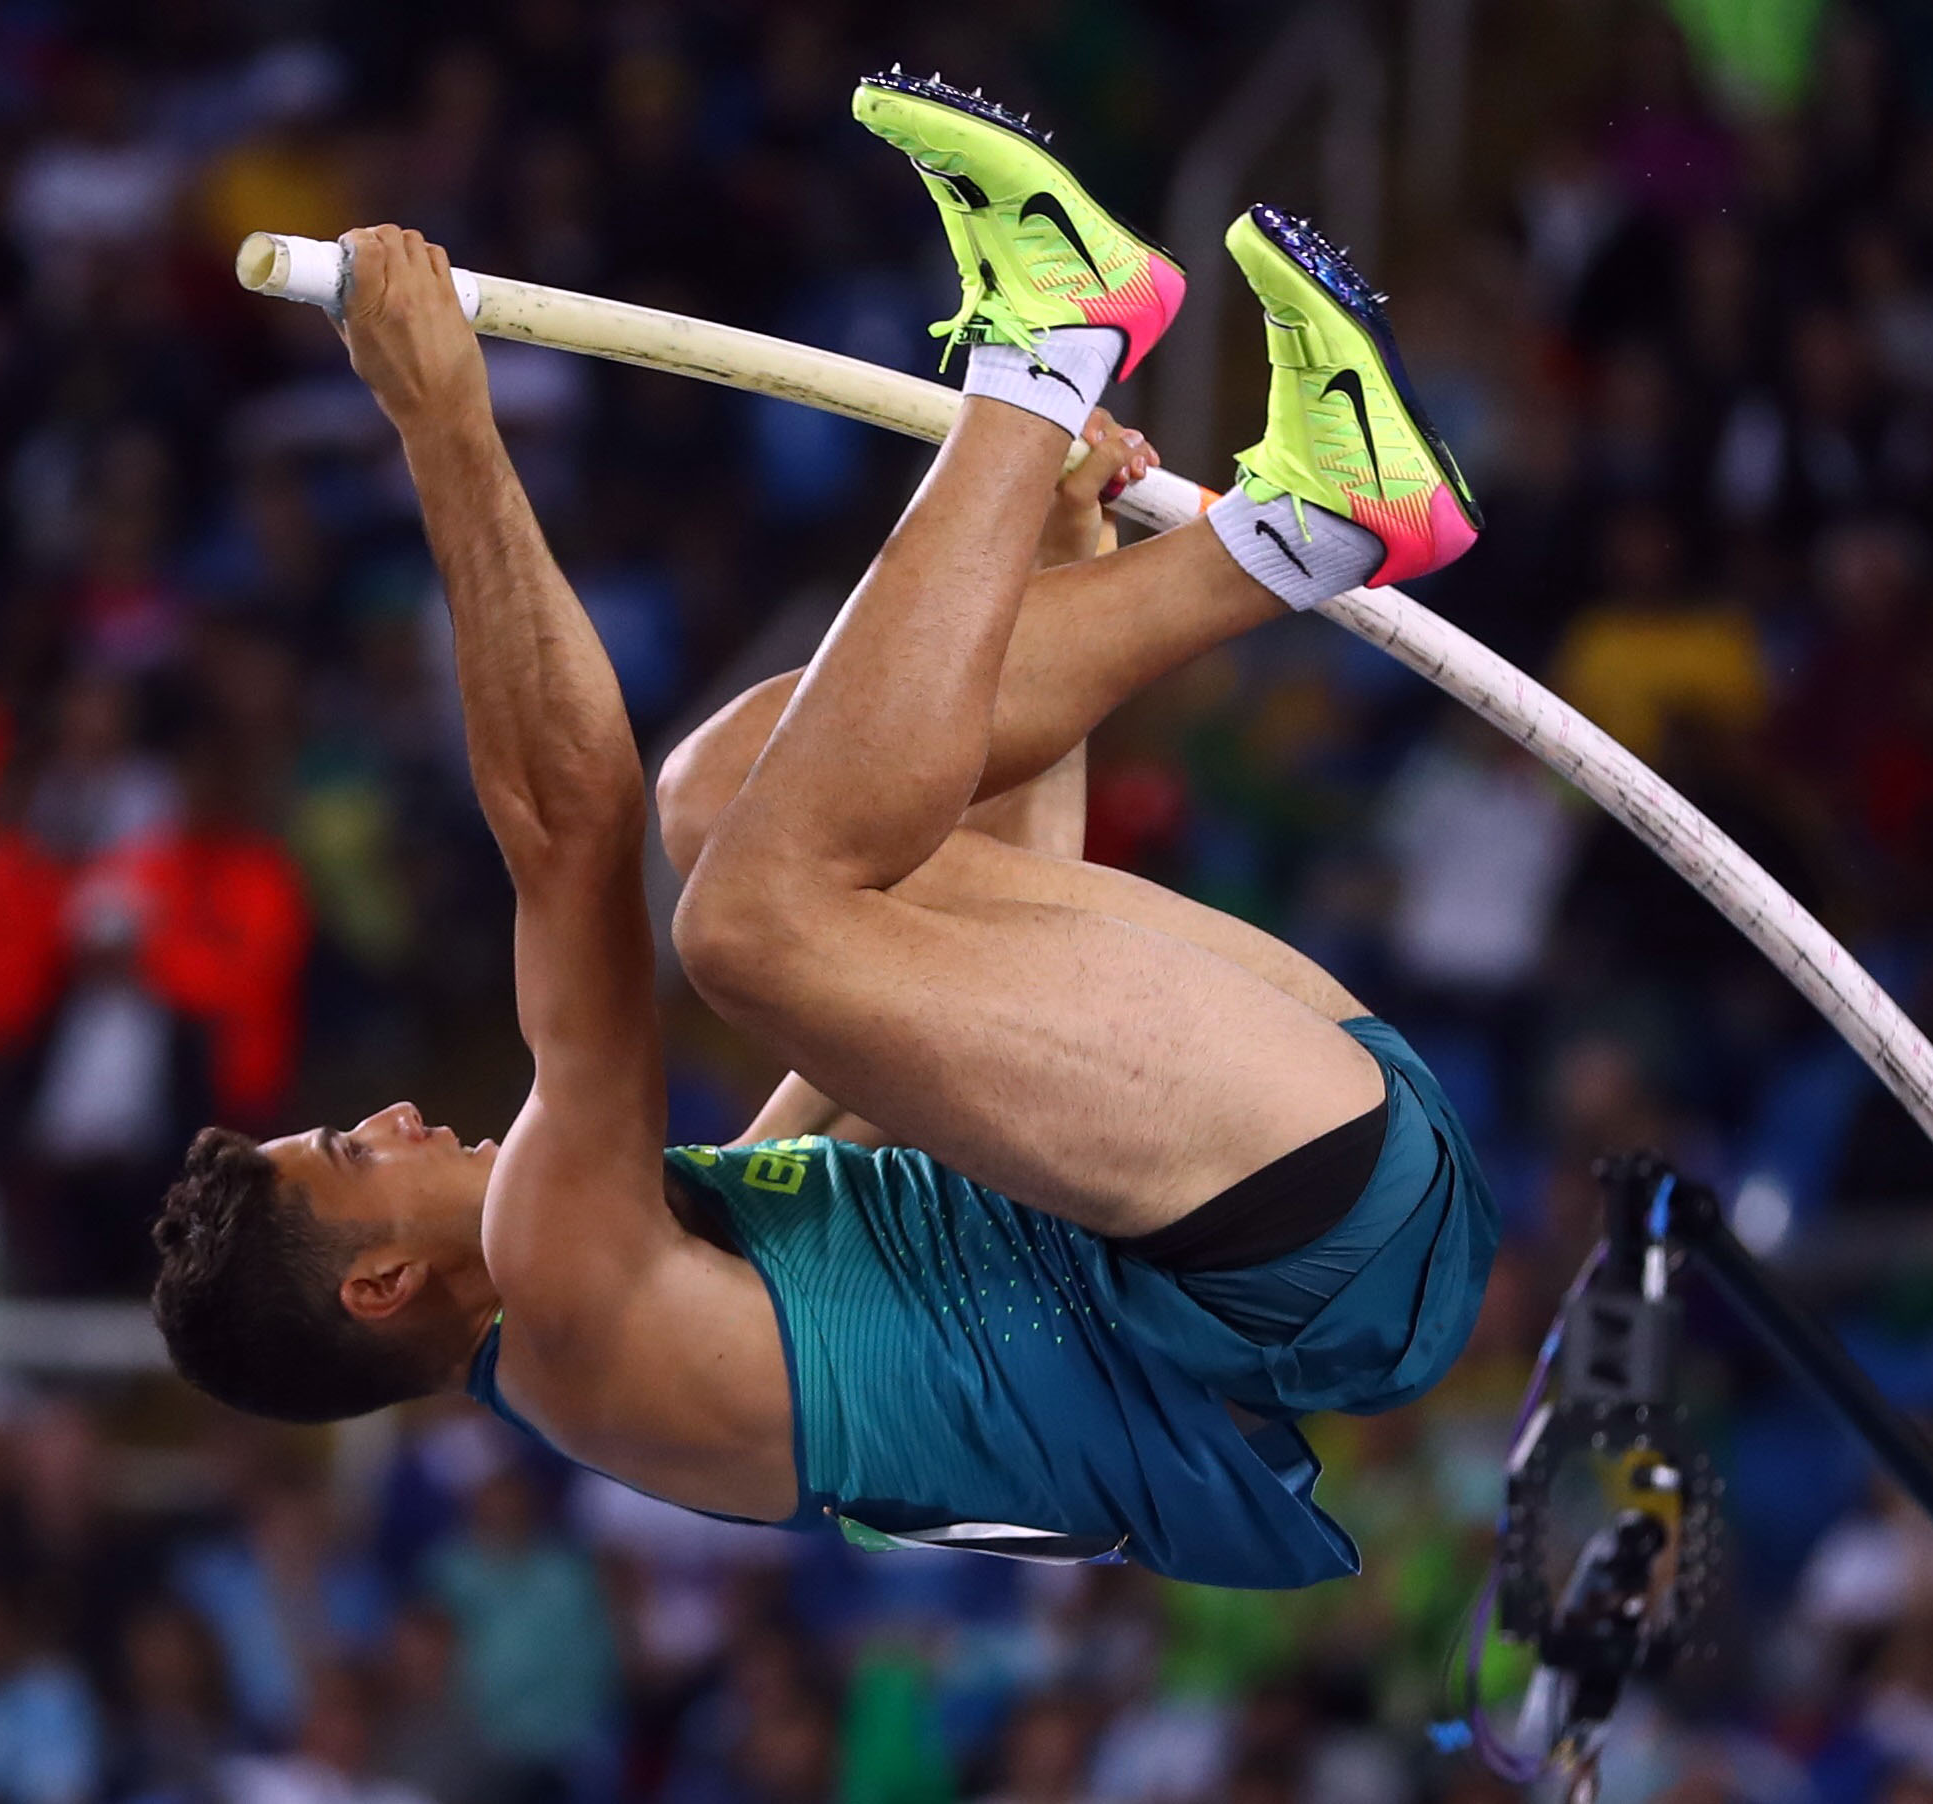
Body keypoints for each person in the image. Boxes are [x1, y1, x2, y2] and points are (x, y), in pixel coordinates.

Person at [151, 75, 1493, 1590]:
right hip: (1303, 1248)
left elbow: (981, 952)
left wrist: (1052, 549)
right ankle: (1053, 342)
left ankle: (1303, 533)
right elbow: (559, 827)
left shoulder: (694, 1256)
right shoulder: (573, 1309)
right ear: (383, 1283)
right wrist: (440, 417)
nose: (391, 1115)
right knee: (732, 921)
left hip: (1290, 1184)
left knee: (725, 805)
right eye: (350, 1150)